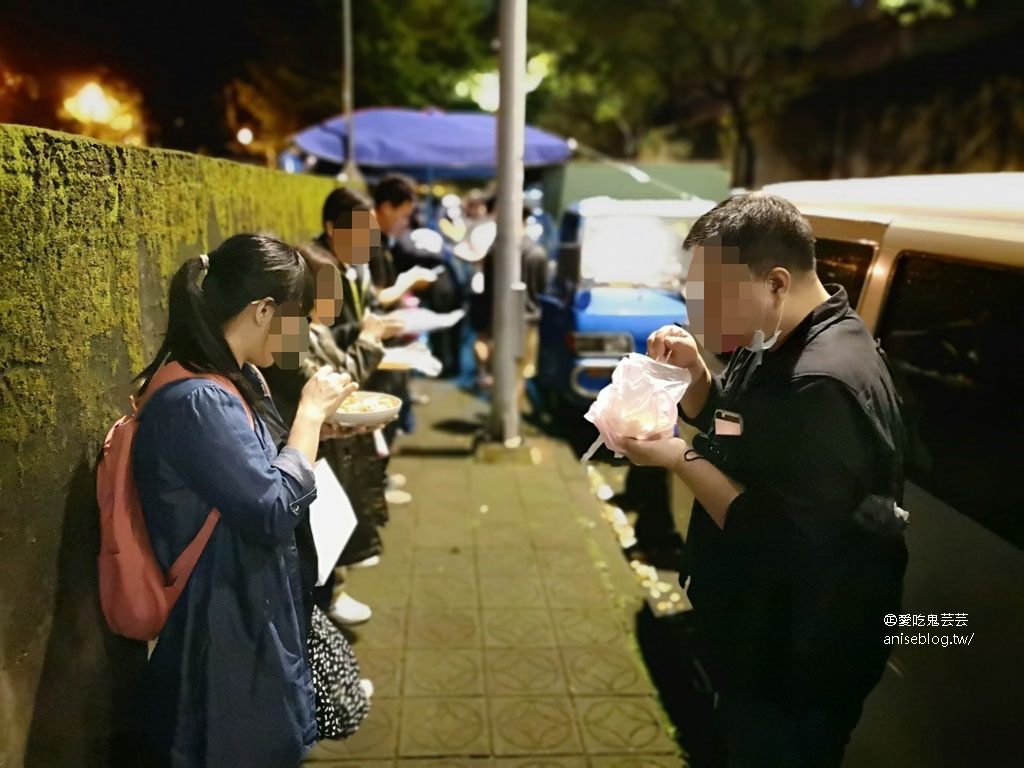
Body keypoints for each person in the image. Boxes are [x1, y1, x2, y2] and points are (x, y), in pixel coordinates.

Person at [618, 193, 908, 768]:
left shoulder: (823, 381)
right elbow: (748, 433)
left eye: (710, 297)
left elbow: (772, 531)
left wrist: (678, 458)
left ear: (776, 282)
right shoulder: (781, 338)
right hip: (763, 633)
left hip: (798, 658)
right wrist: (699, 381)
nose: (696, 314)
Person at [130, 234, 357, 768]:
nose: (301, 333)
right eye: (297, 317)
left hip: (249, 609)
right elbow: (271, 508)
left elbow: (264, 464)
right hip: (222, 630)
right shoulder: (198, 399)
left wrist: (323, 428)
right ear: (263, 310)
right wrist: (308, 416)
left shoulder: (231, 376)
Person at [260, 243, 392, 626]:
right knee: (309, 564)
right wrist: (318, 416)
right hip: (298, 469)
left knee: (319, 555)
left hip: (307, 456)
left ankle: (327, 605)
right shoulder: (206, 395)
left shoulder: (298, 335)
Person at [469, 202, 549, 406]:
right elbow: (542, 288)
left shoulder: (496, 250)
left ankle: (502, 416)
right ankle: (512, 422)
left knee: (502, 371)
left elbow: (488, 289)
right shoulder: (537, 252)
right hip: (528, 321)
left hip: (500, 321)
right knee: (519, 375)